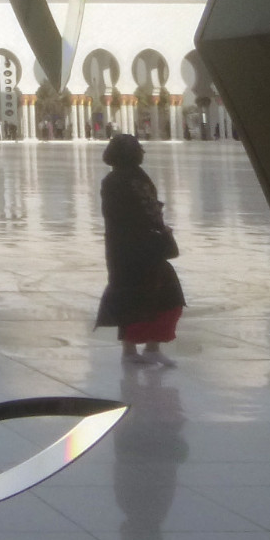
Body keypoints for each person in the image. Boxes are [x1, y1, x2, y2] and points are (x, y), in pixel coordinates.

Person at [94, 134, 185, 367]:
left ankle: (141, 348)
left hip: (128, 247)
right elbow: (138, 212)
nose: (141, 153)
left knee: (144, 296)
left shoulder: (121, 178)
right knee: (146, 296)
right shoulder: (125, 180)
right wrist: (158, 228)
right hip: (136, 248)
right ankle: (141, 348)